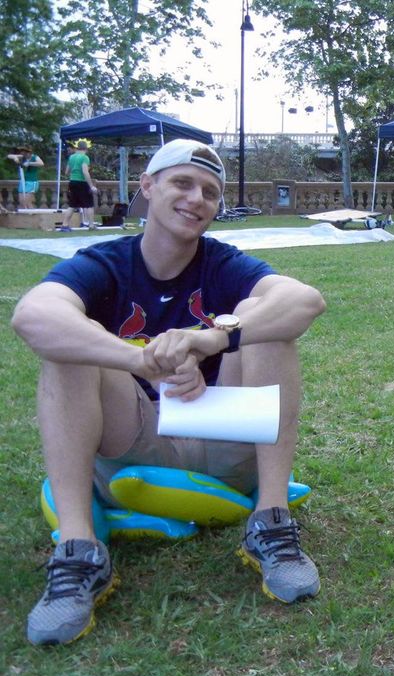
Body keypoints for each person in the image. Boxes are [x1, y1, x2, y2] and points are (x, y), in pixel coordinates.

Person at [12, 139, 327, 646]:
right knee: (66, 349)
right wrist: (140, 360)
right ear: (148, 186)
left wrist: (213, 339)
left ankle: (270, 520)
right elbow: (32, 316)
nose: (196, 198)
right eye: (182, 183)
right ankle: (78, 549)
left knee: (272, 330)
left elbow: (304, 300)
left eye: (209, 191)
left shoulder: (223, 263)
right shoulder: (104, 263)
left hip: (221, 434)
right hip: (132, 435)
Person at [64, 139, 99, 230]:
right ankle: (91, 225)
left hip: (72, 182)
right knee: (89, 205)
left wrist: (75, 171)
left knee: (72, 205)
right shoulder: (84, 157)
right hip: (82, 182)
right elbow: (85, 172)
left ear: (77, 147)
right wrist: (91, 186)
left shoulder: (71, 157)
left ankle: (65, 225)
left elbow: (66, 172)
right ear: (86, 148)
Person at [7, 145, 44, 210]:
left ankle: (32, 217)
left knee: (26, 202)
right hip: (23, 181)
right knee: (22, 202)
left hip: (32, 182)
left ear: (28, 152)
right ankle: (29, 216)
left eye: (23, 151)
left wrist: (29, 163)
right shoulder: (23, 157)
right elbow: (9, 156)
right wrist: (15, 158)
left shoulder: (35, 157)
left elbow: (41, 163)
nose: (21, 152)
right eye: (21, 151)